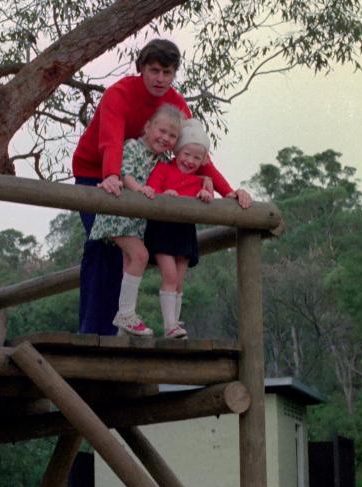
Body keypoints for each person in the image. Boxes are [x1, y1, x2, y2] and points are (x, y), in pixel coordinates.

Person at [72, 38, 252, 335]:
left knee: (135, 250)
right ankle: (93, 333)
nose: (160, 79)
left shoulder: (176, 106)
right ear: (141, 68)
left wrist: (227, 191)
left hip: (143, 180)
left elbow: (193, 154)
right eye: (154, 70)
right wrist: (111, 176)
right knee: (103, 242)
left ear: (174, 74)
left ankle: (123, 327)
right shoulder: (120, 93)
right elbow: (110, 140)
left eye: (167, 73)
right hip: (98, 172)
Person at [87, 106, 184, 335]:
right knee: (141, 255)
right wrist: (139, 189)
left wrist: (164, 192)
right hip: (118, 215)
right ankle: (126, 315)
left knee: (129, 264)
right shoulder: (132, 146)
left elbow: (159, 183)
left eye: (172, 136)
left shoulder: (160, 159)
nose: (166, 138)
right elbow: (124, 172)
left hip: (135, 221)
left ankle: (124, 326)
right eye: (162, 131)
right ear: (148, 127)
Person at [143, 118, 214, 339]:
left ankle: (175, 325)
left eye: (197, 157)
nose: (190, 161)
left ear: (203, 160)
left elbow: (208, 195)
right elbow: (151, 189)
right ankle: (170, 325)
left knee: (179, 280)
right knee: (170, 276)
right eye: (186, 154)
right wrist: (165, 195)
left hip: (184, 233)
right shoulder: (163, 169)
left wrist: (205, 193)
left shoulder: (199, 181)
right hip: (163, 231)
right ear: (177, 152)